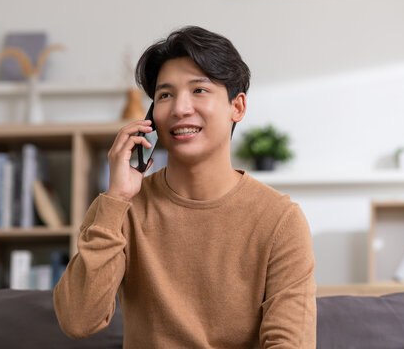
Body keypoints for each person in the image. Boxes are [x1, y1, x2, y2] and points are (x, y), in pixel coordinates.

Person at [53, 25, 316, 348]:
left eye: (199, 90)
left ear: (238, 107)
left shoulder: (280, 219)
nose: (179, 109)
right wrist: (116, 199)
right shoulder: (121, 209)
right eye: (165, 95)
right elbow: (78, 321)